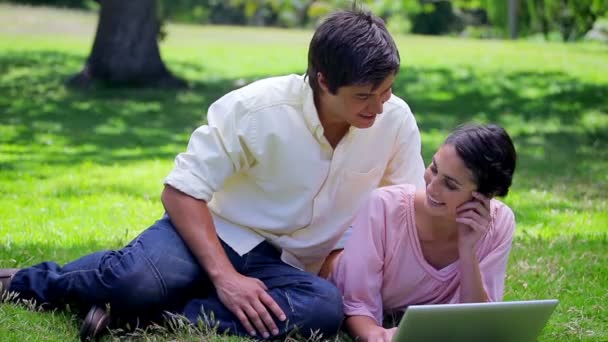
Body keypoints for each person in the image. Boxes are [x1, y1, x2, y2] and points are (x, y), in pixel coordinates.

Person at [0, 7, 426, 341]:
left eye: (387, 90)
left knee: (323, 310)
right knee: (134, 281)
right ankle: (25, 281)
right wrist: (226, 278)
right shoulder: (256, 110)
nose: (380, 105)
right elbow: (181, 193)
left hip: (290, 264)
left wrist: (352, 263)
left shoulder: (394, 120)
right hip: (214, 231)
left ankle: (154, 319)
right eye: (364, 96)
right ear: (323, 81)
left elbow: (401, 210)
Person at [325, 124, 517, 342]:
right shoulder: (383, 207)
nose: (432, 188)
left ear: (484, 195)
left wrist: (468, 249)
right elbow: (355, 300)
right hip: (333, 286)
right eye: (434, 169)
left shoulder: (499, 223)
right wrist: (374, 334)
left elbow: (477, 321)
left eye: (450, 185)